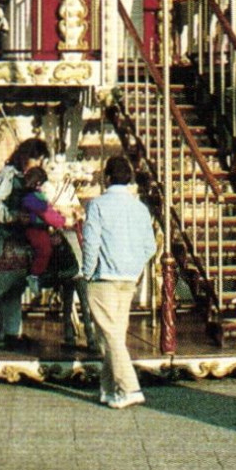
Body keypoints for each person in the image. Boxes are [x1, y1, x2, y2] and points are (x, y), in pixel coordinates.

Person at [81, 156, 156, 409]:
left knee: (111, 336)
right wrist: (134, 269)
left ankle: (130, 387)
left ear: (108, 178)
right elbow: (150, 246)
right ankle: (109, 388)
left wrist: (87, 272)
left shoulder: (97, 205)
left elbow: (91, 242)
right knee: (113, 335)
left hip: (104, 277)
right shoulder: (140, 208)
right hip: (128, 278)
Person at [15, 165, 68, 294]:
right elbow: (47, 215)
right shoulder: (32, 198)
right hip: (35, 230)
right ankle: (34, 275)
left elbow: (49, 210)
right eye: (44, 184)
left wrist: (59, 215)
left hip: (41, 228)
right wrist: (62, 221)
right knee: (45, 249)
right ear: (38, 184)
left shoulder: (36, 196)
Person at [0, 137, 50, 227]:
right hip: (8, 232)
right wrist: (15, 216)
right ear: (25, 157)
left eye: (40, 160)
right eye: (36, 159)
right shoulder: (9, 175)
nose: (38, 164)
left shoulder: (36, 177)